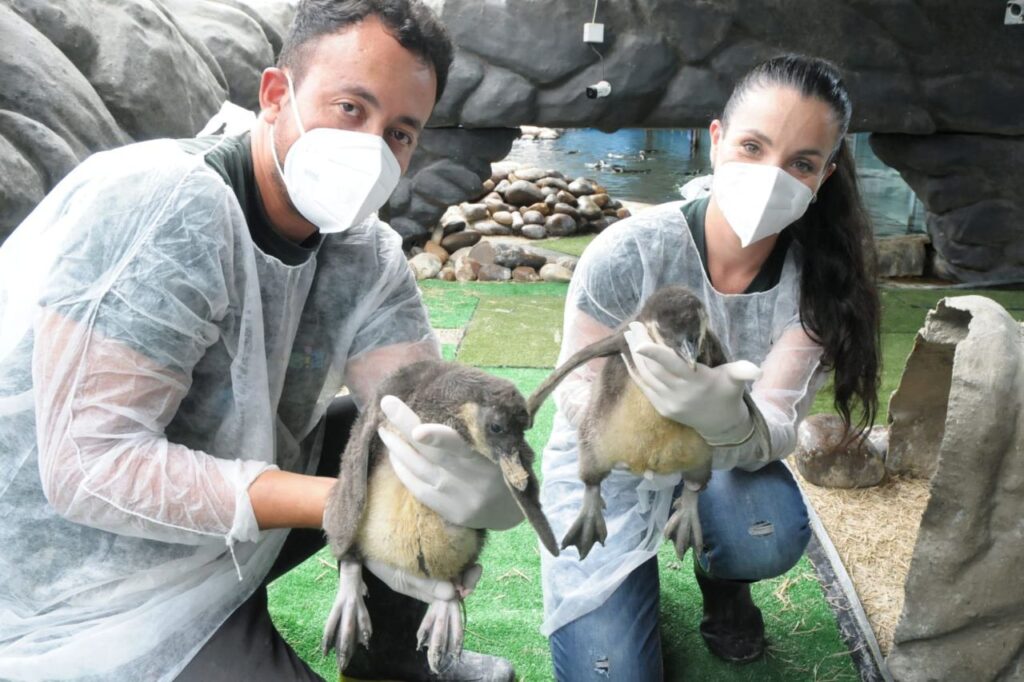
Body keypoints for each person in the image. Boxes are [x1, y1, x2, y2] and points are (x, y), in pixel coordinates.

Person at [0, 1, 524, 680]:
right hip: (85, 570)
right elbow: (90, 469)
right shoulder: (162, 206)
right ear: (275, 96)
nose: (371, 148)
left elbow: (418, 409)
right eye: (350, 108)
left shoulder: (363, 254)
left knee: (398, 446)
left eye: (400, 132)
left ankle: (398, 657)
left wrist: (478, 477)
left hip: (227, 524)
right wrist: (350, 508)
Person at [539, 54, 881, 680]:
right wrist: (645, 426)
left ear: (824, 176)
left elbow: (776, 423)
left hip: (716, 465)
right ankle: (623, 570)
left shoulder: (818, 288)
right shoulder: (628, 251)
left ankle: (721, 580)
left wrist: (727, 424)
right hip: (613, 457)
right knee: (606, 668)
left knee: (765, 531)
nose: (771, 175)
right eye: (753, 146)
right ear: (717, 139)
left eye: (801, 163)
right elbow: (576, 385)